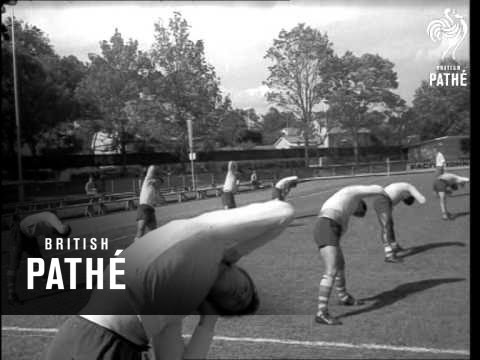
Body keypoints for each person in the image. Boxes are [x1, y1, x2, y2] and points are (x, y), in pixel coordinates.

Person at [42, 200, 295, 360]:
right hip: (86, 335)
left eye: (235, 305)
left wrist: (207, 323)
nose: (240, 297)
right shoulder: (205, 231)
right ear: (238, 269)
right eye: (247, 290)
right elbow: (283, 212)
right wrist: (235, 252)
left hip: (113, 345)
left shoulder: (175, 310)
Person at [313, 185, 387, 325]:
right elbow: (375, 188)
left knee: (340, 265)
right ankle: (321, 312)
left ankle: (344, 297)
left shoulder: (345, 208)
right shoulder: (352, 193)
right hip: (326, 225)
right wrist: (385, 195)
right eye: (360, 210)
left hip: (328, 227)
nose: (358, 213)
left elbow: (339, 231)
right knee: (331, 270)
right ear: (359, 203)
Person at [7, 211, 71, 306]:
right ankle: (11, 295)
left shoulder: (51, 224)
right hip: (19, 231)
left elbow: (52, 236)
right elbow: (62, 231)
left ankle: (48, 282)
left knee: (38, 259)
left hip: (28, 235)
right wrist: (66, 230)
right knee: (14, 264)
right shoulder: (54, 220)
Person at [373, 182, 426, 263]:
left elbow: (389, 190)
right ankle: (389, 255)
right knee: (386, 227)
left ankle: (394, 246)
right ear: (408, 195)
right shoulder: (409, 187)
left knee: (389, 225)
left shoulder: (401, 188)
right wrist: (420, 198)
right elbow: (422, 200)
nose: (404, 199)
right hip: (382, 200)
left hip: (384, 200)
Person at [135, 165, 164, 241]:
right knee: (141, 229)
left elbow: (162, 201)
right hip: (144, 208)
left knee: (153, 232)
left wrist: (160, 198)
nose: (159, 184)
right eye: (158, 181)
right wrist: (158, 170)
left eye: (160, 183)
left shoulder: (156, 191)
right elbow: (152, 168)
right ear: (154, 180)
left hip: (151, 210)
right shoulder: (147, 182)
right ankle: (135, 247)